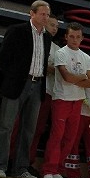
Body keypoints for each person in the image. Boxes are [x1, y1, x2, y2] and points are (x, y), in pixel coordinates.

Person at [0, 0, 52, 178]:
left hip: (37, 84)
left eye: (48, 15)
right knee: (7, 126)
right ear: (32, 13)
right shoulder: (17, 30)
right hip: (18, 83)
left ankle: (21, 168)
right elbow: (3, 58)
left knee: (29, 129)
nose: (45, 18)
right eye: (42, 14)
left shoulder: (47, 37)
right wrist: (14, 76)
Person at [41, 22, 90, 178]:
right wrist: (82, 78)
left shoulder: (86, 57)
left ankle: (58, 169)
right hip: (61, 98)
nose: (74, 39)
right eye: (71, 36)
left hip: (77, 100)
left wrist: (76, 79)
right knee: (57, 135)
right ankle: (48, 170)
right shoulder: (61, 53)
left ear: (82, 38)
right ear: (66, 37)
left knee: (70, 138)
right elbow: (66, 77)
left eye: (78, 37)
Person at [28, 13, 61, 168]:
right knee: (20, 125)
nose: (55, 29)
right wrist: (50, 68)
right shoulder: (35, 40)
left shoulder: (58, 49)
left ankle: (28, 162)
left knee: (38, 129)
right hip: (30, 86)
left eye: (57, 27)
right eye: (52, 25)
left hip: (47, 92)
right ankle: (10, 159)